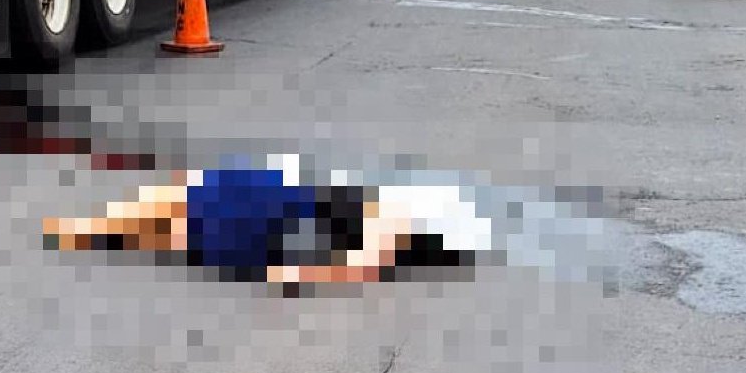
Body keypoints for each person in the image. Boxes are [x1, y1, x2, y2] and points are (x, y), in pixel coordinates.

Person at [42, 163, 489, 285]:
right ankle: (86, 233)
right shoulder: (384, 234)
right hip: (261, 221)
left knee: (170, 217)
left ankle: (84, 232)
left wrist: (285, 271)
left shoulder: (383, 225)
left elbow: (332, 258)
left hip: (262, 212)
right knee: (169, 227)